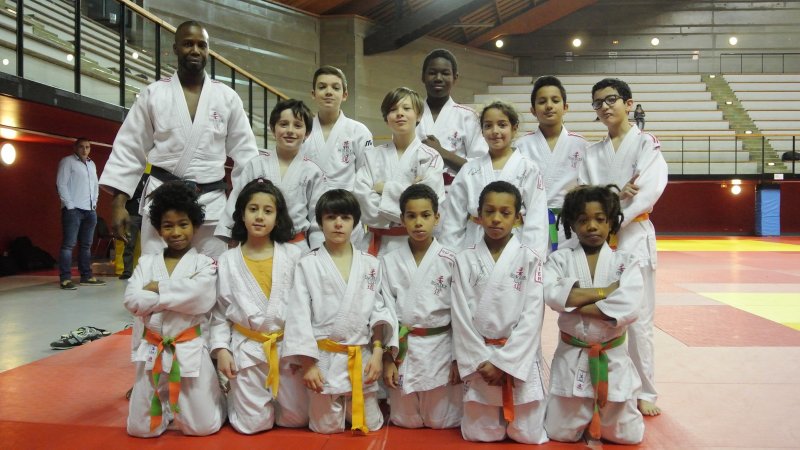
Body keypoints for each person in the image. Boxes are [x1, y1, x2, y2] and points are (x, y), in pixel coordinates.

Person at [99, 20, 259, 259]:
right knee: (156, 273)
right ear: (175, 48)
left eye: (202, 45)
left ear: (208, 51)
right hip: (162, 201)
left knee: (212, 274)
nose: (195, 50)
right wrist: (118, 204)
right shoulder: (154, 94)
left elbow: (247, 156)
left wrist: (242, 208)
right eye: (188, 44)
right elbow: (129, 148)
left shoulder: (227, 97)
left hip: (211, 205)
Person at [580, 78, 668, 417]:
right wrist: (616, 195)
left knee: (640, 319)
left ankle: (646, 390)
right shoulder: (591, 153)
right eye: (598, 103)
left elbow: (647, 191)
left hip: (633, 237)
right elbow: (587, 195)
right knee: (602, 315)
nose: (604, 107)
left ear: (628, 104)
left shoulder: (646, 144)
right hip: (599, 242)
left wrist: (612, 211)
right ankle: (604, 385)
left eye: (611, 99)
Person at [282, 189, 394, 434]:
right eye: (331, 217)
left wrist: (378, 353)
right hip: (324, 361)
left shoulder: (371, 264)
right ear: (320, 222)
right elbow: (299, 316)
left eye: (345, 217)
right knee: (325, 428)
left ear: (355, 222)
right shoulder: (307, 264)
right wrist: (308, 365)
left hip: (361, 358)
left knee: (372, 424)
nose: (338, 223)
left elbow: (379, 311)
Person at [543, 185, 644, 444]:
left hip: (611, 357)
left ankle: (603, 417)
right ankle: (582, 417)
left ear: (611, 222)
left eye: (600, 219)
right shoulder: (560, 260)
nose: (592, 226)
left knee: (629, 436)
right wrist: (605, 292)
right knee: (559, 433)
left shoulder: (626, 261)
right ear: (572, 224)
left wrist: (574, 301)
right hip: (572, 355)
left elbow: (629, 306)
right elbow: (552, 296)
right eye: (583, 220)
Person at [123, 182, 226, 437]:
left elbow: (202, 298)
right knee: (140, 430)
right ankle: (166, 409)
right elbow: (132, 301)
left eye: (183, 224)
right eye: (168, 226)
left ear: (195, 226)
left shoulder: (204, 264)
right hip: (152, 349)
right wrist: (179, 294)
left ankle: (218, 400)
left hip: (188, 348)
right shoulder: (147, 262)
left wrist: (156, 289)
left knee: (202, 428)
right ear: (158, 229)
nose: (176, 232)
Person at [450, 181, 548, 444]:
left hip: (518, 360)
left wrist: (505, 364)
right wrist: (484, 362)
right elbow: (460, 316)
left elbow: (533, 317)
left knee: (527, 435)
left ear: (518, 218)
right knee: (481, 434)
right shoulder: (464, 259)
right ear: (478, 216)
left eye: (505, 213)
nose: (496, 219)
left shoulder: (530, 258)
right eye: (489, 211)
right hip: (480, 361)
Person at [210, 179, 308, 434]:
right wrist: (222, 350)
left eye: (268, 211)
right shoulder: (228, 260)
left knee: (297, 419)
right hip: (247, 349)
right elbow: (220, 312)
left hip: (286, 348)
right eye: (253, 209)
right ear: (242, 215)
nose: (260, 217)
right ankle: (231, 398)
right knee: (251, 425)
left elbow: (305, 309)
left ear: (278, 218)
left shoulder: (294, 255)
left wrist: (305, 352)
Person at [380, 184, 462, 429]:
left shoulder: (452, 260)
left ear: (437, 217)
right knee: (405, 422)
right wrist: (388, 358)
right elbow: (385, 311)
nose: (418, 223)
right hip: (402, 350)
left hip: (440, 349)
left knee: (441, 422)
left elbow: (460, 315)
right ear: (402, 218)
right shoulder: (389, 261)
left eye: (425, 215)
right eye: (411, 216)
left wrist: (458, 358)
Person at [216, 99, 328, 250]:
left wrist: (317, 250)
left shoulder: (313, 172)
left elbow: (317, 217)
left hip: (296, 247)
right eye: (284, 124)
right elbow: (237, 202)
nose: (290, 130)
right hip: (256, 245)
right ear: (272, 128)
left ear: (307, 133)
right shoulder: (255, 165)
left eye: (297, 125)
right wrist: (231, 234)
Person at [439, 101, 548, 256]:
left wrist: (532, 256)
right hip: (475, 241)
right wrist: (450, 256)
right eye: (488, 126)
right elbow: (454, 220)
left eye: (502, 125)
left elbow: (537, 218)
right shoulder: (468, 170)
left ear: (514, 128)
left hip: (515, 242)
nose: (495, 131)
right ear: (482, 131)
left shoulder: (528, 168)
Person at [354, 87, 445, 256]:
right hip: (378, 244)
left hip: (416, 244)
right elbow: (363, 201)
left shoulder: (430, 157)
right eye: (393, 109)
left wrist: (384, 189)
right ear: (386, 118)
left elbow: (428, 203)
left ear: (418, 115)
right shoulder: (372, 156)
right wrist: (410, 191)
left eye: (406, 108)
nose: (399, 114)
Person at [516, 76, 588, 253]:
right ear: (533, 110)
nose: (549, 106)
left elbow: (587, 186)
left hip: (569, 223)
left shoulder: (581, 144)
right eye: (542, 102)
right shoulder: (521, 145)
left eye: (555, 101)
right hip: (531, 222)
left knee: (567, 266)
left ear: (565, 107)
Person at [416, 49, 487, 185]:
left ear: (455, 77)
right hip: (416, 192)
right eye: (432, 73)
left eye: (445, 73)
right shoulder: (411, 115)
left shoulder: (469, 116)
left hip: (455, 192)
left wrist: (441, 152)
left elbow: (479, 167)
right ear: (423, 77)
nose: (438, 78)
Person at [301, 66, 374, 191]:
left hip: (345, 200)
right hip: (308, 199)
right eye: (322, 87)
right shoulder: (302, 130)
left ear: (344, 95)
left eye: (335, 88)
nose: (328, 92)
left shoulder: (359, 131)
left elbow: (367, 175)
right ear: (313, 94)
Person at [56, 137, 106, 290]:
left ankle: (86, 276)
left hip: (90, 210)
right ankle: (65, 279)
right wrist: (70, 206)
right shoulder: (67, 162)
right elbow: (61, 184)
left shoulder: (92, 164)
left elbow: (95, 185)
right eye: (81, 147)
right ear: (75, 148)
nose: (85, 150)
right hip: (73, 210)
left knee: (86, 245)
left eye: (87, 147)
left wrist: (94, 204)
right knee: (68, 245)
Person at [120, 173, 150, 280]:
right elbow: (128, 194)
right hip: (132, 214)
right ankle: (127, 271)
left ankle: (148, 271)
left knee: (149, 244)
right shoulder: (131, 177)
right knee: (129, 244)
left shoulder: (149, 177)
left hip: (146, 214)